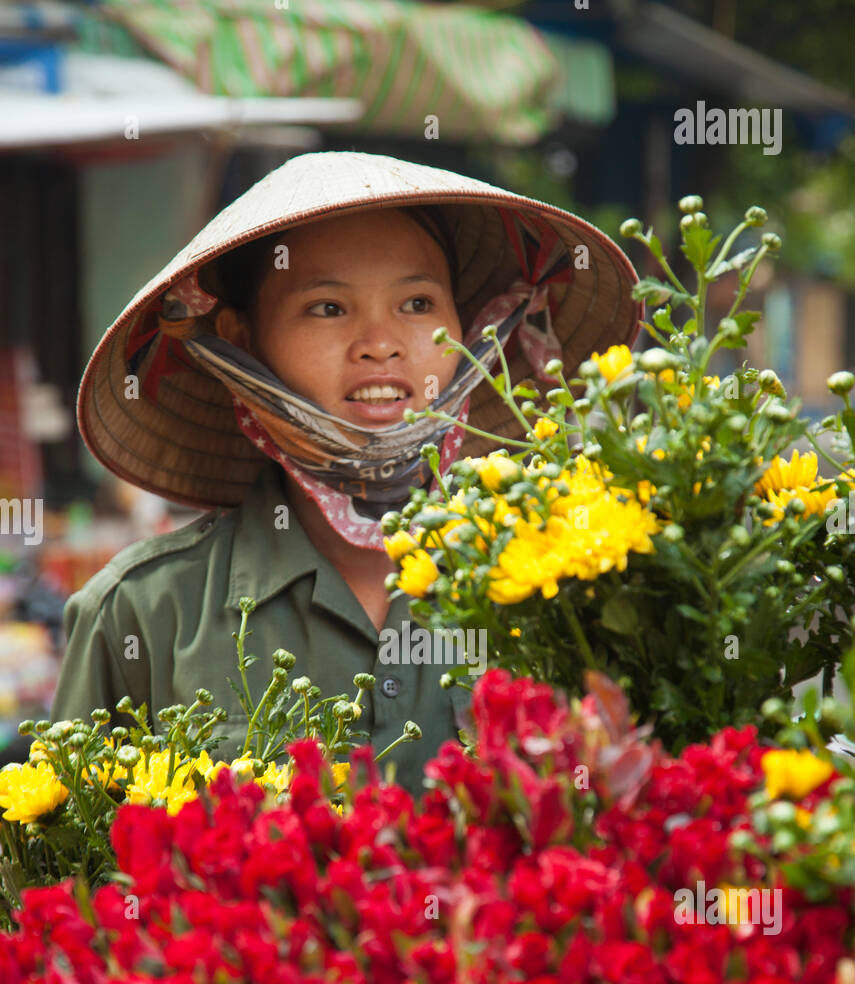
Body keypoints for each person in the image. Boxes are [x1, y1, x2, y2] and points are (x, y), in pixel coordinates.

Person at [50, 149, 641, 795]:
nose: (380, 343)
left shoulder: (572, 584)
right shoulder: (140, 613)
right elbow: (68, 878)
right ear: (239, 341)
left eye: (417, 303)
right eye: (328, 308)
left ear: (469, 331)